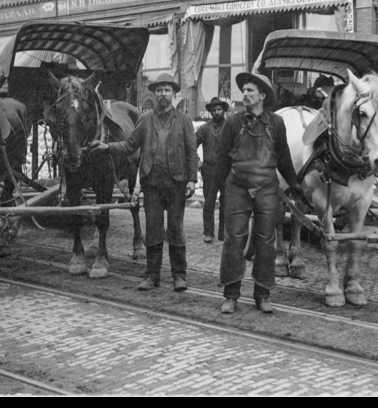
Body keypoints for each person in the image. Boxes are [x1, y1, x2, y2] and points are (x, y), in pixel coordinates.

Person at [92, 73, 198, 291]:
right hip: (152, 184)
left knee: (176, 230)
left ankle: (179, 276)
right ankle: (152, 276)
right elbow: (130, 145)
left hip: (176, 183)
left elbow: (191, 153)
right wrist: (108, 147)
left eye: (167, 90)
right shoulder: (145, 119)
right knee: (153, 230)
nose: (162, 94)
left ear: (174, 94)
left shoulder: (185, 121)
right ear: (154, 93)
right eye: (159, 90)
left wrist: (192, 180)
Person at [217, 71, 300, 315]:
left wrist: (295, 185)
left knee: (266, 242)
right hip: (238, 188)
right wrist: (221, 192)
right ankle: (231, 295)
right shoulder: (233, 122)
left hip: (267, 188)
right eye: (244, 90)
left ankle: (262, 294)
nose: (245, 94)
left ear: (262, 95)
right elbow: (221, 158)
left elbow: (283, 158)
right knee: (234, 240)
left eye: (251, 90)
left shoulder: (276, 122)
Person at [195, 97, 230, 244]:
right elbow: (191, 145)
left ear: (224, 111)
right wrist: (198, 162)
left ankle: (224, 233)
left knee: (226, 202)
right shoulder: (204, 129)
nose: (216, 112)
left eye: (219, 109)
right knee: (209, 202)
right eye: (214, 110)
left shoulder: (230, 127)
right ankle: (208, 232)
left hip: (227, 169)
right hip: (209, 169)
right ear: (210, 112)